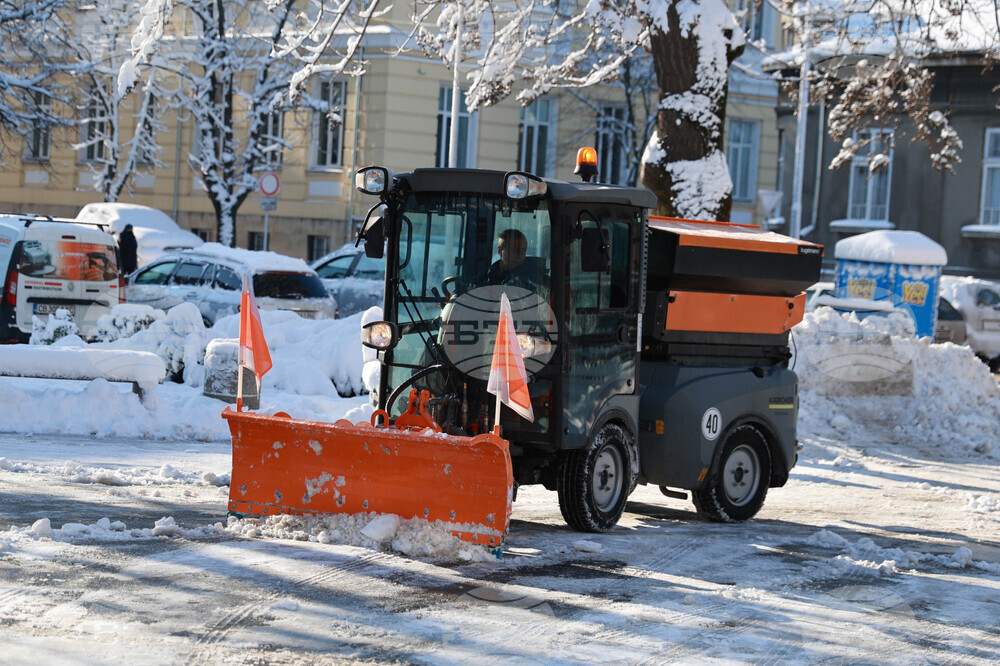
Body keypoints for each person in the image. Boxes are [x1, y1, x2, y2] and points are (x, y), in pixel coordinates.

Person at [475, 228, 545, 292]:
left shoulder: (534, 282)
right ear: (500, 250)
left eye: (523, 250)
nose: (519, 254)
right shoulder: (485, 277)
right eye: (515, 249)